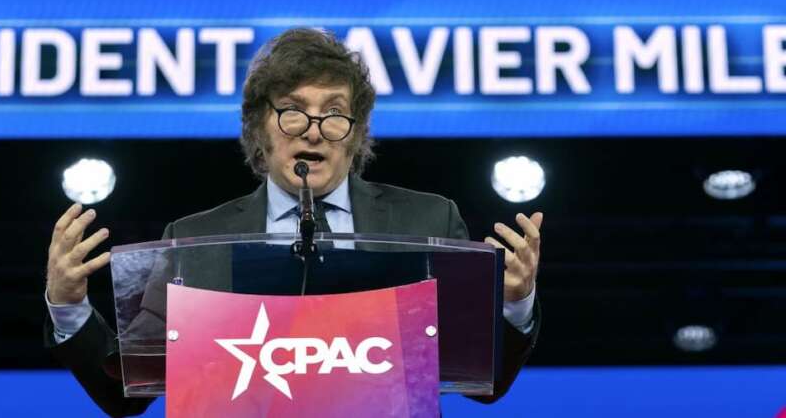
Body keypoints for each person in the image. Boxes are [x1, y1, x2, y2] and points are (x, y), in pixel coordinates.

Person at [44, 27, 543, 417]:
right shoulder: (197, 240)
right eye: (293, 112)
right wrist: (69, 308)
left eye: (334, 114)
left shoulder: (427, 220)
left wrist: (513, 305)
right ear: (260, 128)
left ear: (355, 133)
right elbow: (127, 394)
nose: (315, 130)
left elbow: (482, 383)